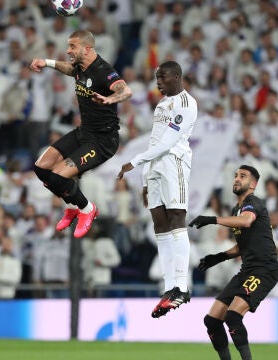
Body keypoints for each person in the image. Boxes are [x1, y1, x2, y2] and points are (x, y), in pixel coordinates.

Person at [30, 30, 132, 238]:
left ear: (87, 49)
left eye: (72, 47)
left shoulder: (104, 70)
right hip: (84, 131)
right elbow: (70, 70)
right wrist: (46, 62)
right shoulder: (80, 67)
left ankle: (87, 209)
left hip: (103, 141)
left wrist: (110, 99)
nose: (68, 50)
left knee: (59, 175)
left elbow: (125, 90)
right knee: (41, 168)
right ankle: (72, 206)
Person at [117, 61, 198, 318]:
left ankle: (183, 287)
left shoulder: (187, 104)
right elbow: (155, 139)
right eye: (155, 78)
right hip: (154, 168)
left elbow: (169, 141)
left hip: (174, 162)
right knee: (159, 226)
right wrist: (144, 178)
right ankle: (169, 287)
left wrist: (136, 160)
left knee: (177, 219)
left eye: (161, 77)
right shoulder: (162, 105)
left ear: (176, 77)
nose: (157, 82)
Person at [188, 165, 278, 360]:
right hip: (247, 270)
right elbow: (242, 247)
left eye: (243, 176)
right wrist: (219, 257)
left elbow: (246, 222)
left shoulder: (253, 202)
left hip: (264, 270)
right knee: (212, 320)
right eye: (236, 175)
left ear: (253, 184)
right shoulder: (235, 210)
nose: (237, 179)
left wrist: (213, 219)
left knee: (232, 316)